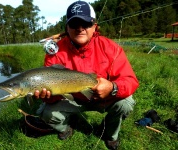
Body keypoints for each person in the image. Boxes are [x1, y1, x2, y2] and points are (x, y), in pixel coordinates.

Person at [34, 1, 139, 150]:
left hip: (103, 97)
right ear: (67, 28)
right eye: (74, 24)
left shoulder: (110, 47)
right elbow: (52, 92)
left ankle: (110, 134)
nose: (80, 28)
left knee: (126, 103)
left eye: (86, 23)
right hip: (73, 99)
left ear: (95, 26)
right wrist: (49, 95)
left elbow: (130, 80)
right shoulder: (55, 52)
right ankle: (66, 128)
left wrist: (112, 87)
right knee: (46, 112)